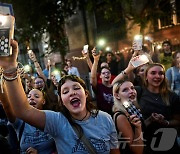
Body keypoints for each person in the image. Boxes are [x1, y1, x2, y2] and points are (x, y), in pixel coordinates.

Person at [0, 40, 120, 154]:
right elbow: (23, 111)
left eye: (76, 88)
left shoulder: (105, 119)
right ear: (61, 100)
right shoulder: (57, 121)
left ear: (86, 94)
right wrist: (10, 68)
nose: (72, 92)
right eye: (65, 91)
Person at [112, 62, 180, 153]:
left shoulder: (172, 96)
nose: (157, 76)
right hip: (147, 141)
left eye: (161, 73)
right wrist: (129, 68)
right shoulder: (138, 91)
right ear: (146, 77)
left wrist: (165, 122)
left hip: (167, 140)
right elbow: (116, 85)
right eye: (153, 73)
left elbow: (178, 120)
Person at [0, 88, 56, 154]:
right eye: (29, 96)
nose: (31, 98)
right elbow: (7, 106)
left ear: (43, 101)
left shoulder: (51, 118)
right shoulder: (20, 120)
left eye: (36, 96)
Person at [112, 80, 144, 154]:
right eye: (125, 90)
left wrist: (151, 119)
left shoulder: (132, 109)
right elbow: (137, 150)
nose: (131, 91)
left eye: (132, 88)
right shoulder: (121, 117)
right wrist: (138, 128)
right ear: (117, 95)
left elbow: (143, 128)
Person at [90, 49, 114, 115]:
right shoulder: (98, 87)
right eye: (103, 73)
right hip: (104, 116)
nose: (106, 74)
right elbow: (93, 77)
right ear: (100, 76)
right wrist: (96, 60)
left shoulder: (115, 86)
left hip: (115, 115)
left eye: (108, 73)